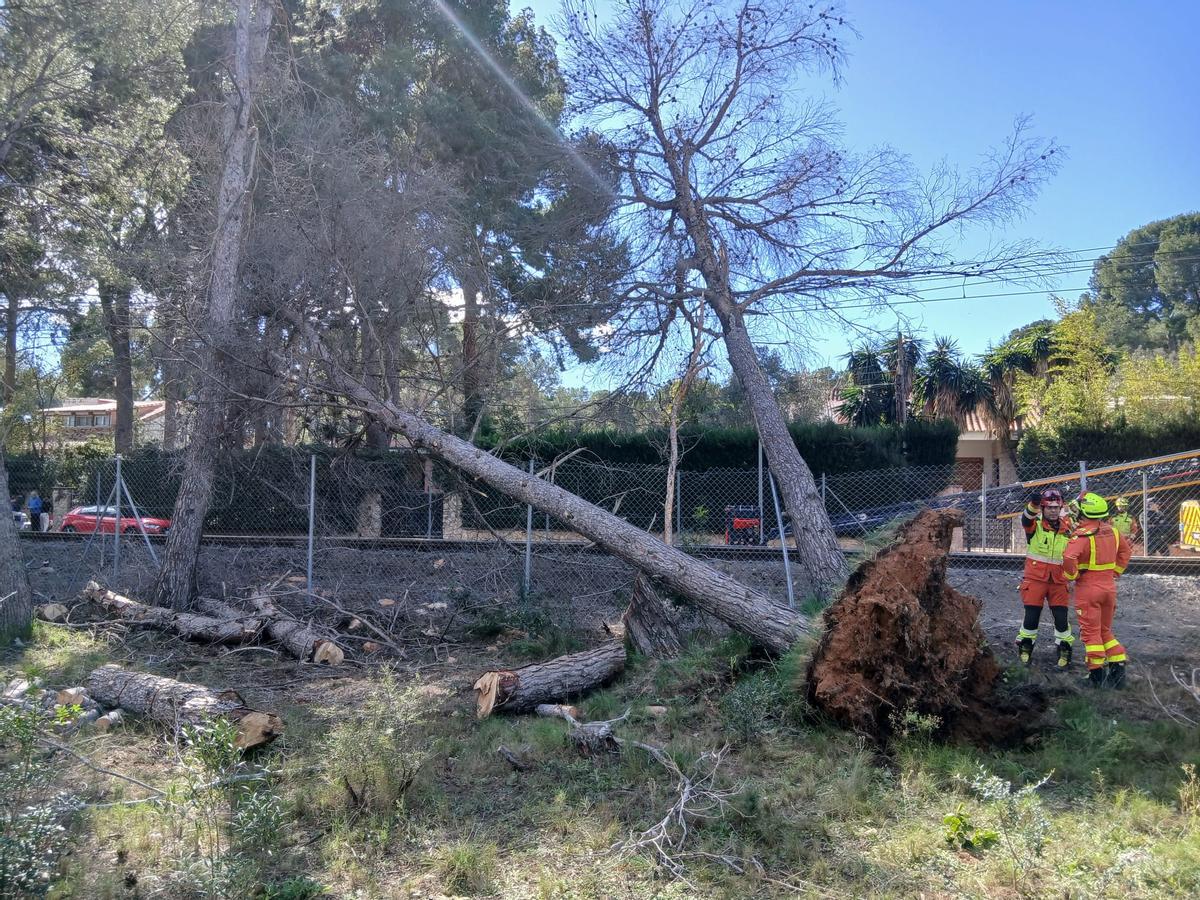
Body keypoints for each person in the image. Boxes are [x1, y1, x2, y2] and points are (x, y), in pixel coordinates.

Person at [1063, 493, 1133, 688]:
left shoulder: (1082, 535)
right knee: (1105, 631)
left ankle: (1096, 678)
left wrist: (1071, 576)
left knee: (1090, 634)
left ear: (1084, 513)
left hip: (1088, 589)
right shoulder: (1114, 532)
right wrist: (1116, 571)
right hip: (1109, 587)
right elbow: (1126, 551)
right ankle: (1118, 673)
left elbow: (1069, 558)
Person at [1015, 487, 1075, 668]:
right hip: (1035, 580)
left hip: (1059, 581)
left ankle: (1064, 649)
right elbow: (1026, 519)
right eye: (1049, 507)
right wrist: (1033, 504)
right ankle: (1026, 648)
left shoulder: (1068, 529)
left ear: (1061, 508)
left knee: (1061, 619)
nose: (1053, 511)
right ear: (1043, 509)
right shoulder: (1035, 527)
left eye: (1056, 507)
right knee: (1031, 617)